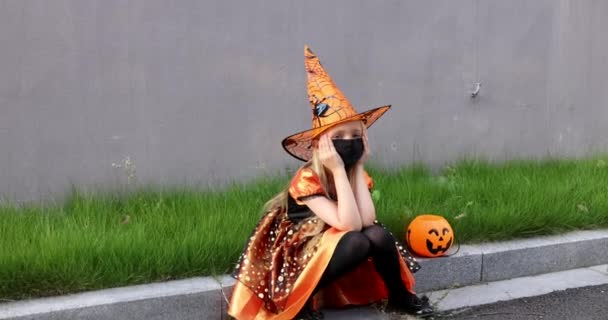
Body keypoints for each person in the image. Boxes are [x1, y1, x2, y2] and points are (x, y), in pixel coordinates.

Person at [228, 46, 433, 320]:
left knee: (377, 235)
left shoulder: (355, 172)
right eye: (340, 136)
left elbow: (366, 221)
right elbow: (348, 226)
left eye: (355, 135)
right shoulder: (308, 179)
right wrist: (337, 169)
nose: (349, 141)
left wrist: (357, 168)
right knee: (357, 242)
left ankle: (399, 296)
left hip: (333, 241)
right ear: (320, 145)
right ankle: (298, 305)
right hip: (298, 255)